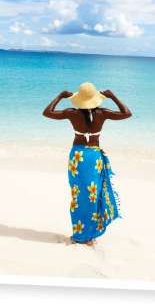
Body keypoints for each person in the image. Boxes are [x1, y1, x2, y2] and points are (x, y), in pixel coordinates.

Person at [42, 82, 132, 245]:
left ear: (79, 99)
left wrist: (60, 97)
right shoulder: (103, 113)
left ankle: (79, 234)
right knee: (93, 195)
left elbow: (47, 113)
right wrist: (112, 97)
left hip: (78, 157)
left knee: (78, 195)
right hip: (93, 157)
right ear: (96, 99)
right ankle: (90, 234)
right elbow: (127, 113)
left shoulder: (71, 113)